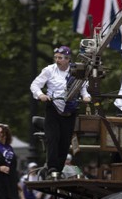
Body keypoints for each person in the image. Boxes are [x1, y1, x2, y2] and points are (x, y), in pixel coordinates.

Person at [30, 46, 91, 178]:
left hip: (70, 110)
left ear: (68, 59)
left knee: (64, 141)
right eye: (56, 57)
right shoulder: (49, 70)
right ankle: (52, 168)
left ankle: (59, 169)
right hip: (53, 107)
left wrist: (86, 97)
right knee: (53, 138)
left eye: (60, 58)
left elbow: (83, 88)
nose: (57, 60)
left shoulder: (77, 71)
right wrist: (41, 95)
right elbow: (35, 85)